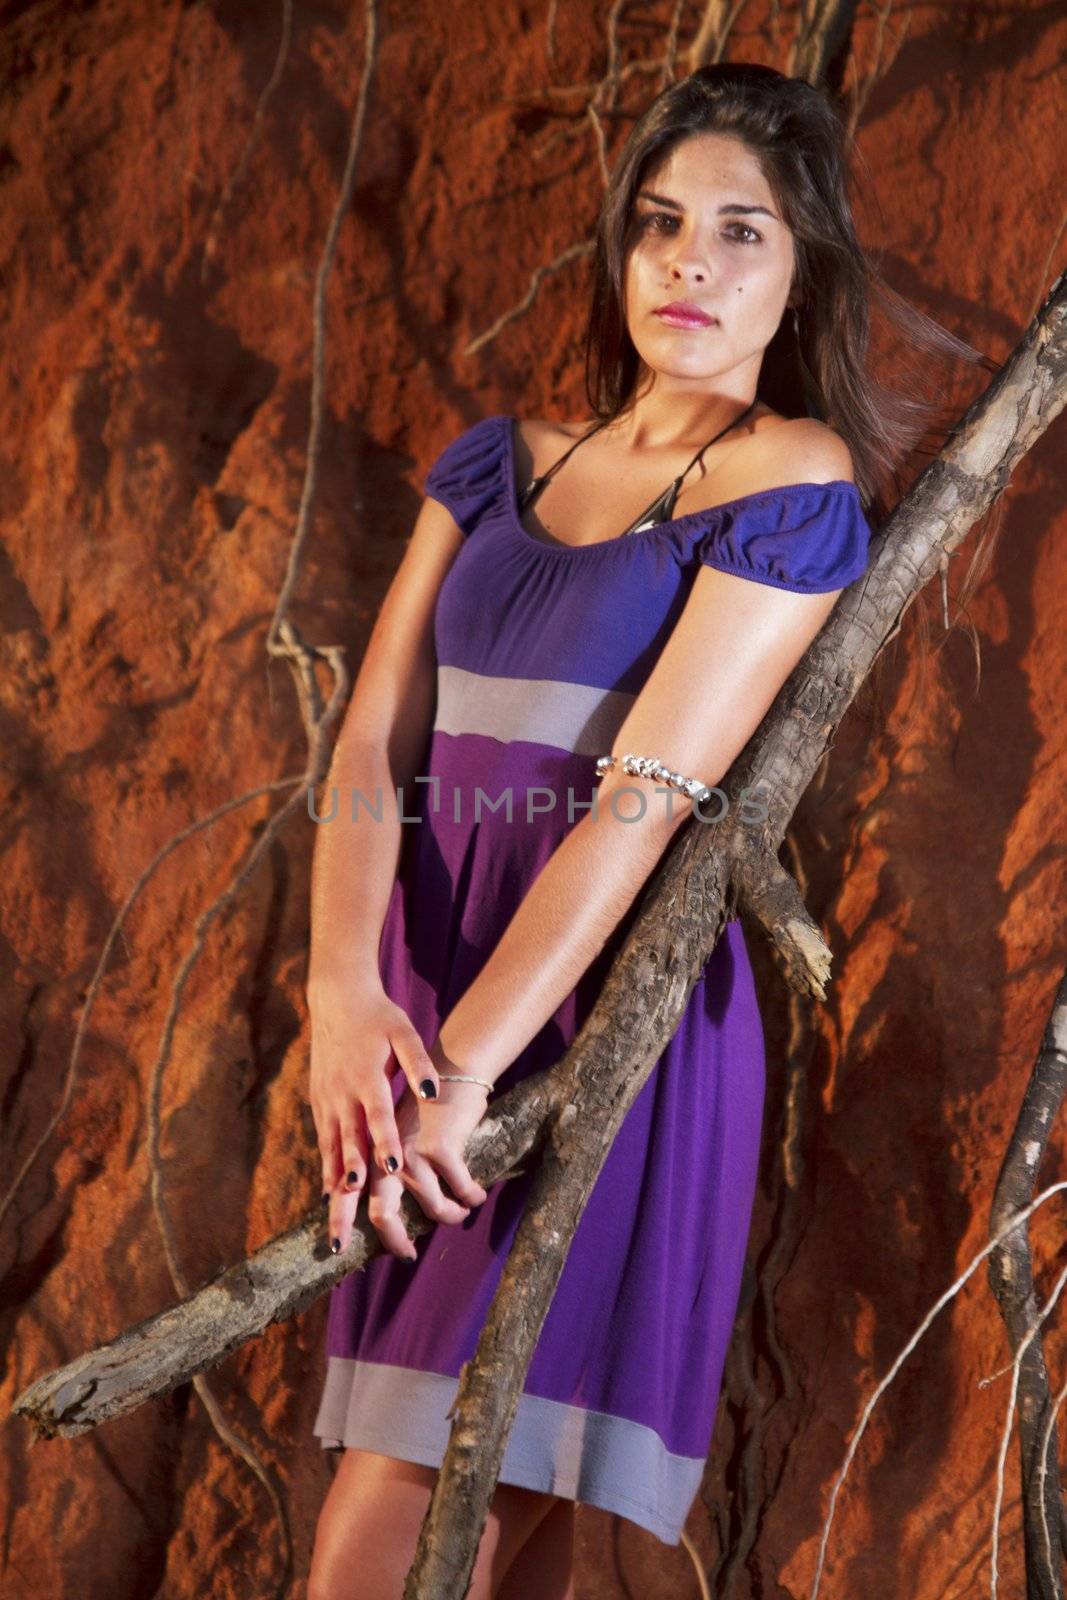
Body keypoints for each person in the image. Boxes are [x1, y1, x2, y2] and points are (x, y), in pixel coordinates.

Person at [304, 61, 978, 1600]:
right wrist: (342, 993)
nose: (691, 262)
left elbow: (642, 800)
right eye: (664, 224)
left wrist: (468, 1066)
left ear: (802, 273)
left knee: (398, 1530)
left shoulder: (788, 484)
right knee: (477, 1533)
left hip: (598, 1030)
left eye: (745, 233)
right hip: (419, 1004)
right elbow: (373, 738)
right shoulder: (492, 463)